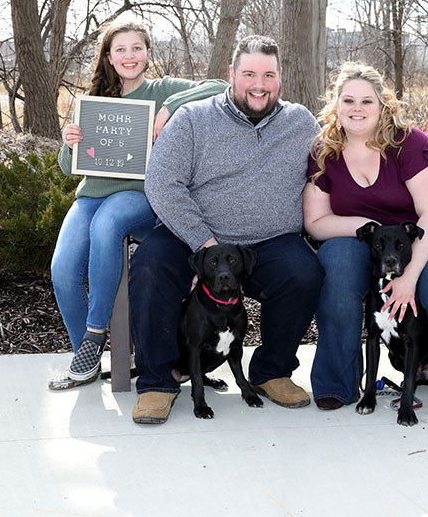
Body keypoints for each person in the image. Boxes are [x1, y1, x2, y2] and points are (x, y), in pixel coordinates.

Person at [127, 35, 324, 424]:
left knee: (304, 274)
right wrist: (205, 242)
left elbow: (331, 170)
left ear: (280, 77)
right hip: (196, 238)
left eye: (268, 75)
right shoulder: (194, 119)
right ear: (231, 75)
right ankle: (156, 382)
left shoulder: (301, 122)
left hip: (269, 242)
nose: (259, 84)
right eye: (249, 73)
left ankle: (271, 371)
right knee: (150, 268)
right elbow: (162, 182)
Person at [303, 62, 428, 418]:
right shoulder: (325, 152)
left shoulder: (409, 144)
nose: (357, 108)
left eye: (367, 100)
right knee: (336, 264)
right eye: (348, 100)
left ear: (384, 106)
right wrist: (366, 225)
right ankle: (338, 384)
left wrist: (409, 278)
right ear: (335, 105)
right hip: (376, 240)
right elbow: (317, 222)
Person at [48, 20, 227, 390]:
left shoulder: (162, 90)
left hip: (140, 196)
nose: (129, 56)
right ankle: (85, 352)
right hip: (91, 196)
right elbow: (69, 168)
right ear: (109, 58)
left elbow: (221, 87)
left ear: (148, 53)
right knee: (63, 270)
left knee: (108, 224)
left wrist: (170, 107)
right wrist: (69, 142)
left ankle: (96, 333)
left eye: (136, 48)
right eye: (120, 50)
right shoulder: (96, 102)